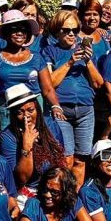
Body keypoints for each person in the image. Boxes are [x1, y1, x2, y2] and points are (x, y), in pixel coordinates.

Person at [43, 10, 103, 186]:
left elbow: (98, 84)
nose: (71, 34)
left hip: (85, 110)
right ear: (57, 31)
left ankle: (74, 199)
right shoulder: (49, 51)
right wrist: (70, 62)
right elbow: (50, 83)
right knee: (66, 159)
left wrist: (88, 61)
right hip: (62, 111)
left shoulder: (88, 51)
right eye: (66, 30)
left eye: (75, 30)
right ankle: (63, 194)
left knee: (81, 159)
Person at [0, 9, 64, 127]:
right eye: (14, 29)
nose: (20, 33)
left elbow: (47, 89)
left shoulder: (36, 57)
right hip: (6, 116)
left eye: (23, 29)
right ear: (6, 33)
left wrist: (56, 106)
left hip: (34, 113)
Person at [0, 84, 68, 203]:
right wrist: (27, 146)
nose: (26, 117)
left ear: (38, 108)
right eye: (20, 113)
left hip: (55, 187)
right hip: (28, 194)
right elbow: (21, 179)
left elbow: (62, 161)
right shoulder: (7, 137)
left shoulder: (50, 125)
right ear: (13, 115)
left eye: (31, 110)